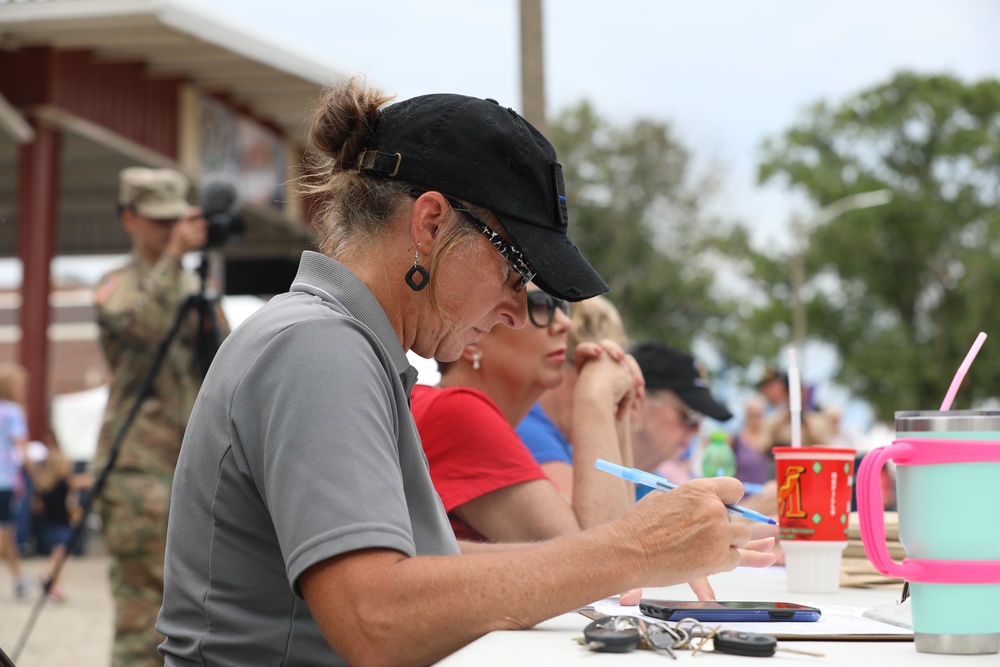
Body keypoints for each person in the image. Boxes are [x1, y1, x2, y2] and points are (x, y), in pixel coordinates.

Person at [157, 78, 774, 667]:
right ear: (429, 223)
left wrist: (598, 560)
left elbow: (412, 574)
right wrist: (633, 550)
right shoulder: (317, 347)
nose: (515, 308)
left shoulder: (338, 343)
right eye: (515, 270)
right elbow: (375, 619)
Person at [94, 166, 229, 666]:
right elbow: (142, 328)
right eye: (158, 221)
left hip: (192, 470)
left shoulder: (193, 286)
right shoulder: (116, 285)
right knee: (144, 621)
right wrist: (174, 258)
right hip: (137, 473)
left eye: (177, 220)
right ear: (129, 218)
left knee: (197, 617)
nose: (172, 231)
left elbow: (224, 362)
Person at [412, 287, 638, 543]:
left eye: (562, 307)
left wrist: (615, 412)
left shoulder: (443, 406)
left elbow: (621, 536)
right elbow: (602, 560)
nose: (565, 323)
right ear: (469, 337)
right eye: (540, 306)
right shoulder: (457, 412)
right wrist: (594, 397)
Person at [516, 294, 633, 497]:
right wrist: (597, 395)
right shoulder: (530, 429)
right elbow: (608, 524)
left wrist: (620, 423)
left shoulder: (548, 429)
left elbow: (624, 509)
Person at [629, 341, 734, 497]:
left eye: (701, 418)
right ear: (637, 402)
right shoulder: (583, 472)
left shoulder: (659, 489)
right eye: (689, 415)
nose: (696, 429)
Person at [20, 428, 94, 602]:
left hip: (49, 525)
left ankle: (52, 583)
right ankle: (52, 582)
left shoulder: (43, 486)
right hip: (62, 526)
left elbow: (37, 508)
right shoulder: (63, 484)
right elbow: (83, 481)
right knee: (62, 558)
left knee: (59, 555)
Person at [0, 362, 28, 599]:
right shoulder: (13, 412)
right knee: (6, 532)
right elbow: (22, 448)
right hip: (6, 480)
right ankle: (18, 578)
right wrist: (38, 477)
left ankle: (18, 578)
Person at [732, 395, 770, 487]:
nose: (756, 420)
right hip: (742, 495)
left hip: (764, 495)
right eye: (753, 416)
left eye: (759, 416)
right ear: (746, 416)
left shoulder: (769, 438)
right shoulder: (735, 439)